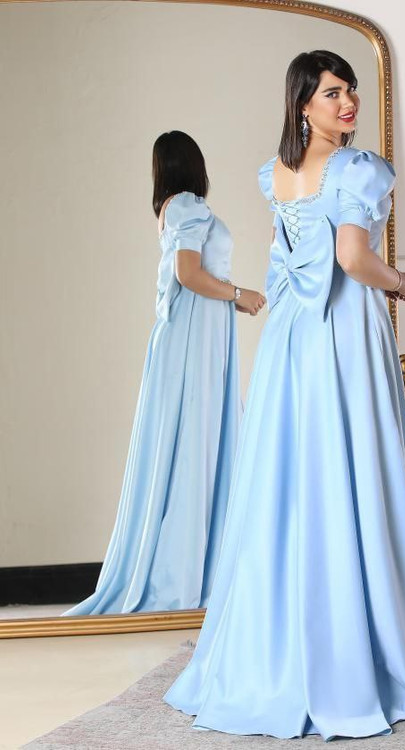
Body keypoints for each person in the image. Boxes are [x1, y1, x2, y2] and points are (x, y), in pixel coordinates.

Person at [164, 54, 405, 739]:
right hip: (343, 333)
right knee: (353, 467)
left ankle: (282, 643)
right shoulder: (357, 169)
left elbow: (281, 265)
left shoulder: (276, 174)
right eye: (333, 92)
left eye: (351, 90)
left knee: (289, 476)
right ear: (303, 104)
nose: (348, 102)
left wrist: (286, 318)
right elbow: (351, 260)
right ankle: (357, 644)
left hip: (290, 340)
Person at [64, 131, 265, 616]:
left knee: (191, 440)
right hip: (195, 336)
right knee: (195, 440)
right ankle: (186, 574)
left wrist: (231, 302)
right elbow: (188, 274)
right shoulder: (189, 205)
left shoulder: (173, 208)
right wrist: (240, 294)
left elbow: (190, 275)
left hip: (194, 331)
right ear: (194, 165)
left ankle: (193, 565)